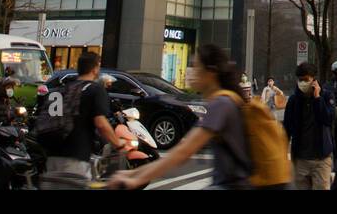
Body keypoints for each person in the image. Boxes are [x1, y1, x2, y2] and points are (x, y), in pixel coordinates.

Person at [111, 44, 261, 190]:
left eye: (196, 67)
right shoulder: (223, 101)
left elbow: (182, 153)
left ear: (210, 72)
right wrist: (133, 173)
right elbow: (183, 148)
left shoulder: (221, 104)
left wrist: (135, 180)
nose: (191, 71)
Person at [42, 52, 129, 188]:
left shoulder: (64, 89)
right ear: (95, 69)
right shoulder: (95, 89)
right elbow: (101, 123)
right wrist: (118, 143)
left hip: (52, 157)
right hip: (75, 158)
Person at [283, 62, 335, 189]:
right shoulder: (294, 100)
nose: (303, 83)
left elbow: (328, 119)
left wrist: (317, 98)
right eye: (300, 80)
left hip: (321, 159)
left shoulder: (326, 96)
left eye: (306, 79)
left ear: (314, 79)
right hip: (300, 159)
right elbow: (287, 128)